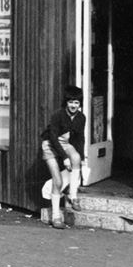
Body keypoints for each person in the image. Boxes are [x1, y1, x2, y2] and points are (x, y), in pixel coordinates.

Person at [40, 85, 86, 229]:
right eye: (71, 102)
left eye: (77, 103)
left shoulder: (81, 117)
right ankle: (56, 216)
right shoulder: (58, 115)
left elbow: (79, 138)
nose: (73, 105)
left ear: (80, 104)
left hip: (64, 143)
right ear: (66, 102)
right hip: (50, 145)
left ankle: (73, 196)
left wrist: (81, 156)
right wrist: (65, 158)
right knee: (58, 182)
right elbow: (53, 138)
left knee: (77, 159)